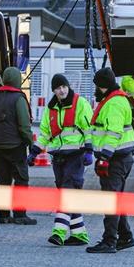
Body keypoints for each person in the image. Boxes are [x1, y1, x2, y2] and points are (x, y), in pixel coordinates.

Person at [31, 74, 94, 246]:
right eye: (58, 88)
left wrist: (89, 150)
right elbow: (45, 133)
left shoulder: (80, 103)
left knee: (67, 193)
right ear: (54, 91)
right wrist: (34, 152)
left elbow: (89, 129)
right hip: (58, 157)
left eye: (64, 86)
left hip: (76, 155)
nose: (62, 90)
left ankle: (58, 233)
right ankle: (80, 235)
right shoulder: (51, 109)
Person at [86, 68, 134, 254]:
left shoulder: (114, 103)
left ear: (102, 86)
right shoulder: (115, 99)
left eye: (96, 86)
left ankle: (109, 241)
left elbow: (114, 133)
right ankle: (125, 237)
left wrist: (105, 157)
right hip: (120, 158)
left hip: (115, 159)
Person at [0, 66, 37, 225]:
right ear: (17, 81)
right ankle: (20, 215)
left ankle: (3, 215)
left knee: (3, 180)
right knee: (21, 180)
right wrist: (30, 142)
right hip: (16, 146)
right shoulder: (18, 98)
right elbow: (24, 125)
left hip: (0, 147)